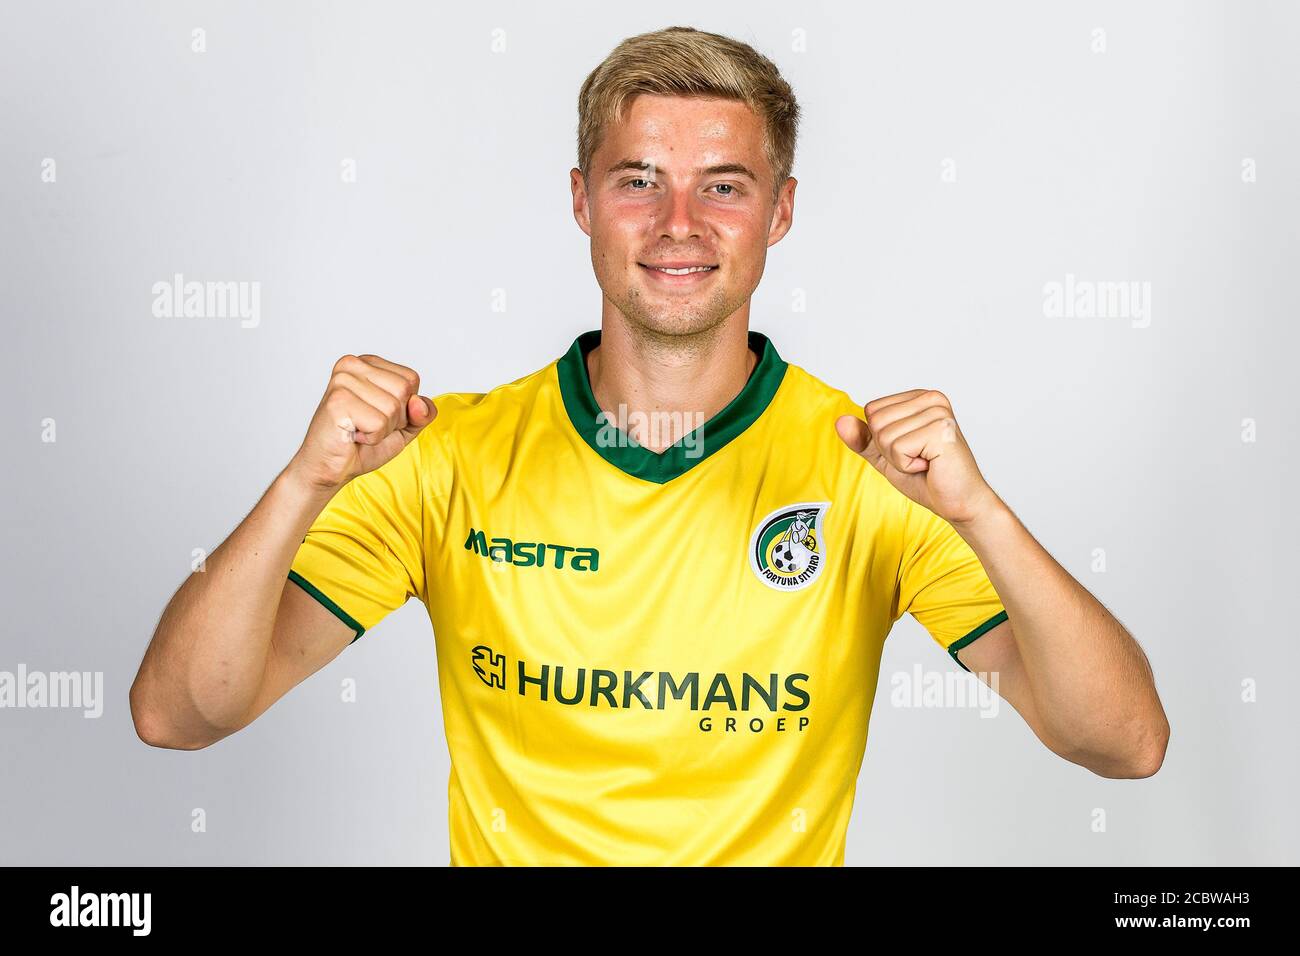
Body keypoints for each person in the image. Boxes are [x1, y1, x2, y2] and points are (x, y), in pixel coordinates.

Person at [130, 25, 1169, 866]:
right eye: (637, 181)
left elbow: (1120, 742)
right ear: (581, 200)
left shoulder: (873, 473)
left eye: (723, 184)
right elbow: (180, 714)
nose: (680, 222)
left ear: (779, 212)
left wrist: (980, 513)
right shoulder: (443, 455)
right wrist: (301, 484)